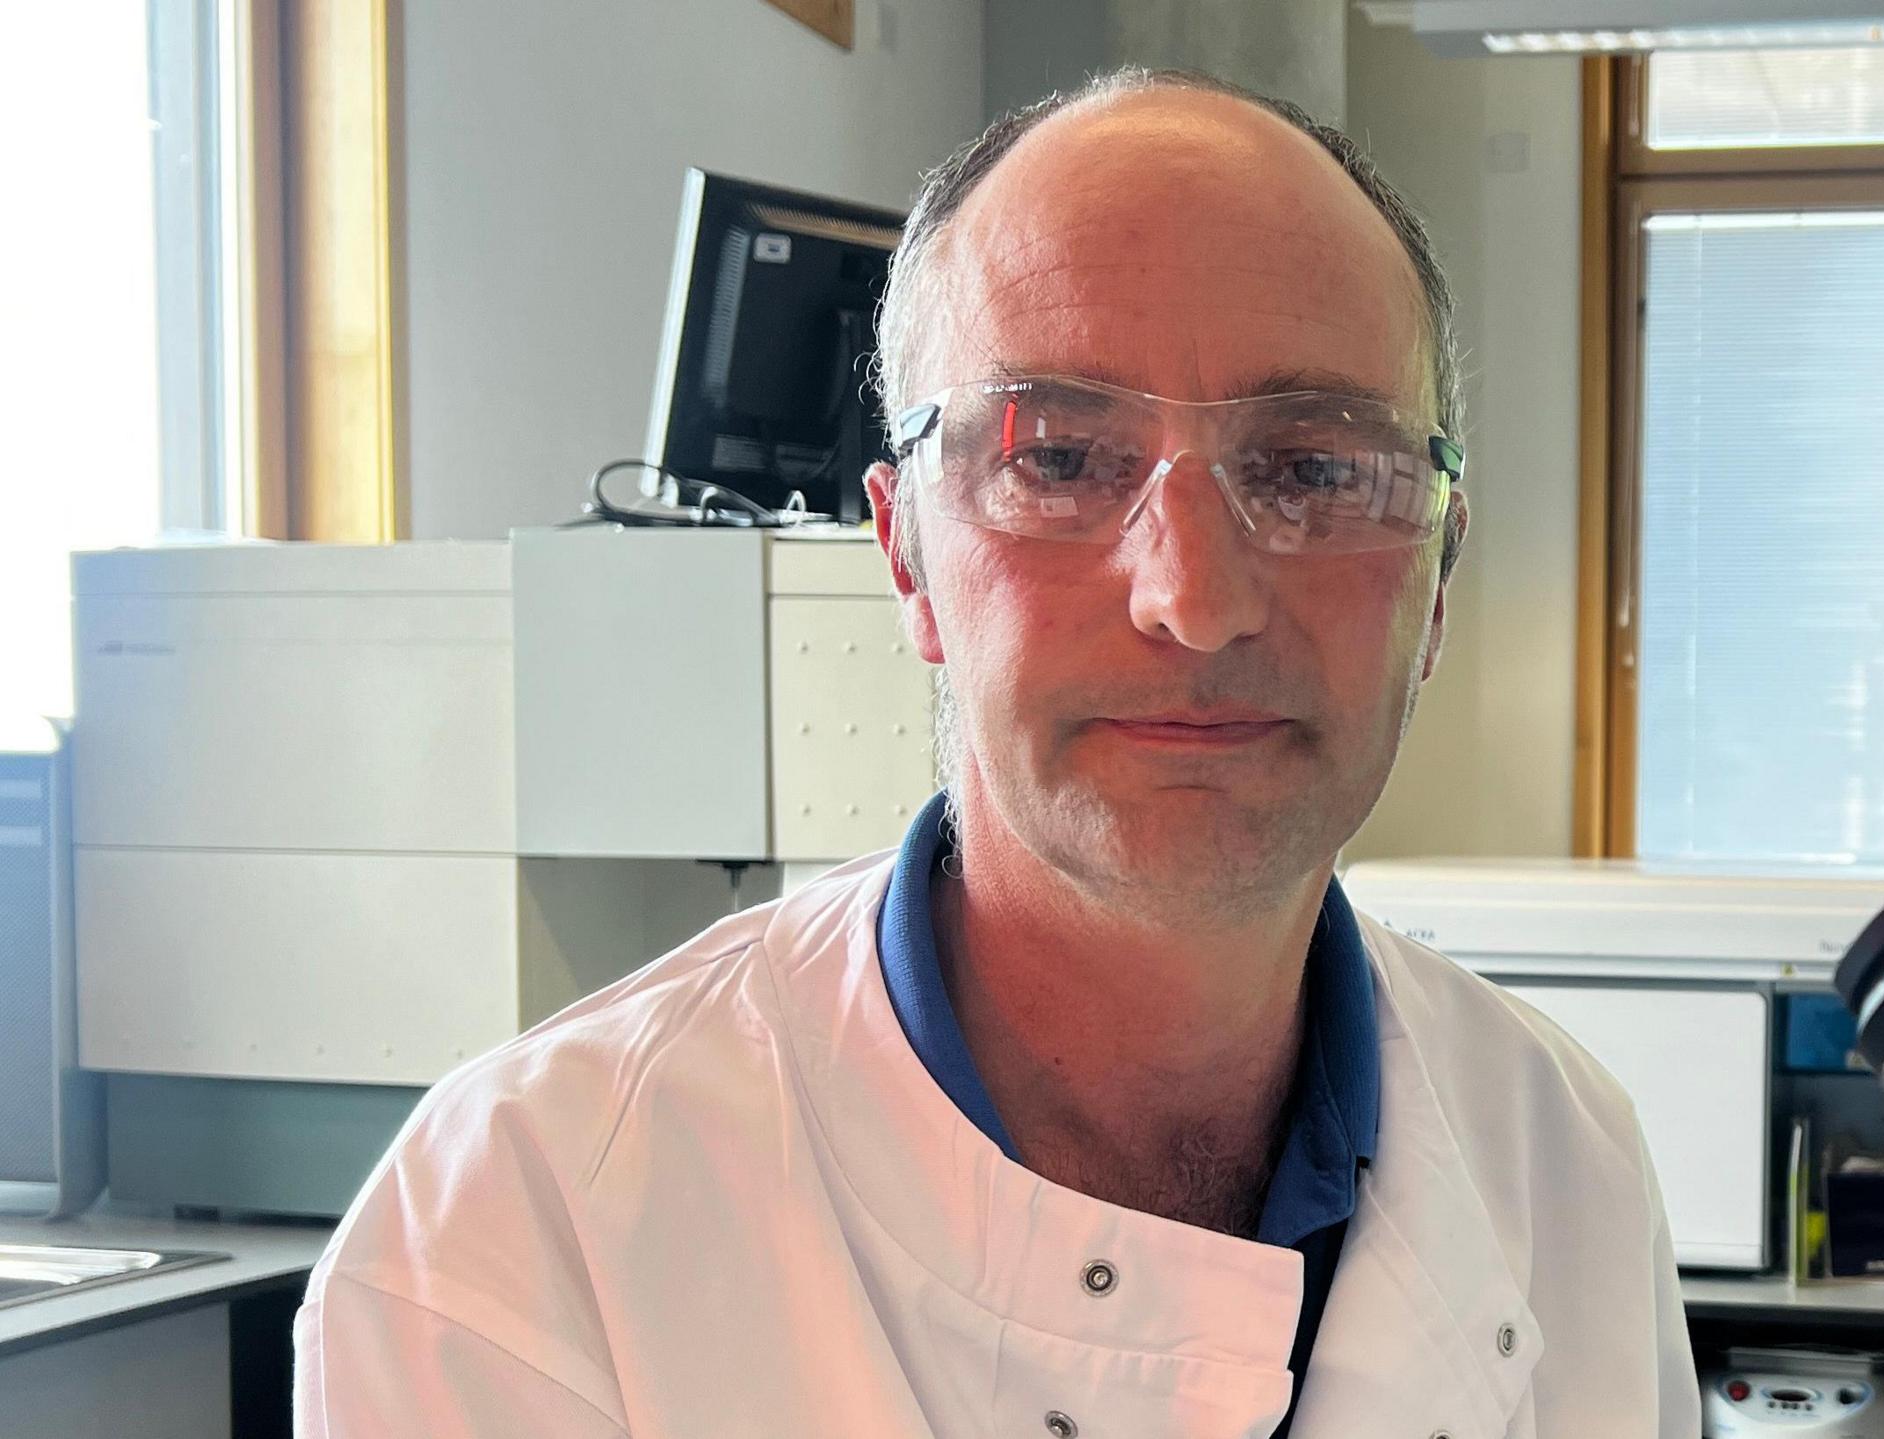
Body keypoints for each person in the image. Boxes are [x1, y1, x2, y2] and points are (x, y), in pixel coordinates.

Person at [295, 68, 1699, 1438]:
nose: (1193, 598)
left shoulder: (1564, 1164)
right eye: (1064, 457)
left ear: (1439, 574)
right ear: (906, 551)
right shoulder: (521, 1242)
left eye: (1316, 469)